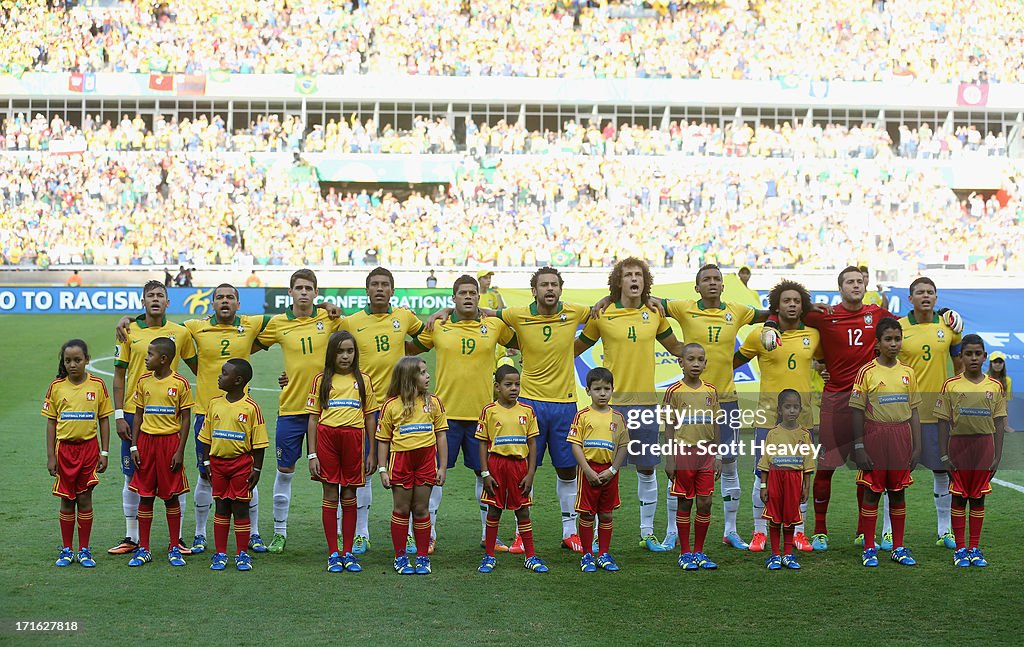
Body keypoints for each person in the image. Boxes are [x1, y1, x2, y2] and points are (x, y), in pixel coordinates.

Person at [439, 267, 590, 553]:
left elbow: (598, 315)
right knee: (521, 469)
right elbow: (481, 312)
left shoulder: (575, 312)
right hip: (529, 402)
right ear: (534, 290)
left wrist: (570, 349)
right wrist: (448, 310)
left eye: (554, 285)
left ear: (561, 288)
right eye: (543, 285)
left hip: (565, 402)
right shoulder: (517, 314)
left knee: (567, 469)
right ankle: (522, 534)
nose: (549, 289)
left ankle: (570, 531)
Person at [577, 257, 685, 552]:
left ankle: (647, 533)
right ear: (619, 281)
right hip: (609, 408)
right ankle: (597, 534)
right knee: (600, 469)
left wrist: (702, 349)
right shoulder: (603, 313)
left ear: (644, 281)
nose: (634, 279)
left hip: (646, 404)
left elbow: (675, 348)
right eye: (628, 275)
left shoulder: (655, 313)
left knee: (647, 469)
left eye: (639, 274)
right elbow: (577, 347)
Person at [661, 264, 771, 551]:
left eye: (717, 279)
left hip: (725, 401)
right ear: (696, 287)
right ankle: (672, 530)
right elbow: (653, 302)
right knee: (679, 469)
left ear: (723, 286)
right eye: (706, 279)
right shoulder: (684, 308)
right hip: (688, 401)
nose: (712, 283)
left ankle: (731, 530)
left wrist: (781, 318)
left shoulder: (737, 310)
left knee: (729, 465)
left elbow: (767, 314)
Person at [411, 275, 516, 552]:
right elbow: (411, 347)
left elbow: (521, 338)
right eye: (462, 293)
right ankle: (428, 535)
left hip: (483, 416)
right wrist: (437, 315)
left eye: (472, 293)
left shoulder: (493, 325)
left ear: (478, 298)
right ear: (453, 298)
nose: (468, 297)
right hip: (444, 417)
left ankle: (488, 535)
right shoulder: (438, 326)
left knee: (485, 476)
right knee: (434, 475)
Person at [252, 269, 343, 553]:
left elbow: (352, 346)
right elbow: (250, 345)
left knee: (332, 476)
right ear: (290, 292)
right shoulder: (278, 323)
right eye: (299, 288)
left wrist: (328, 308)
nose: (304, 292)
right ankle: (280, 532)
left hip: (327, 409)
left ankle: (339, 532)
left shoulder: (329, 319)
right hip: (291, 408)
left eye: (309, 288)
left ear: (316, 293)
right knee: (285, 470)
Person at [337, 267, 425, 555]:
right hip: (363, 407)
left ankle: (410, 533)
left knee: (406, 470)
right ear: (366, 290)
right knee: (364, 468)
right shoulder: (351, 321)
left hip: (402, 406)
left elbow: (426, 338)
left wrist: (411, 352)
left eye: (384, 285)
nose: (379, 289)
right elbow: (335, 356)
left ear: (392, 289)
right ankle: (361, 532)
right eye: (374, 284)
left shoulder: (403, 316)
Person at [109, 281, 196, 557]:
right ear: (143, 301)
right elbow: (119, 376)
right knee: (131, 475)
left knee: (173, 479)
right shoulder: (128, 330)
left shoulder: (181, 333)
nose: (155, 300)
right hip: (136, 415)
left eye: (160, 296)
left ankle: (177, 539)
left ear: (168, 302)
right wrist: (120, 414)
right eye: (151, 296)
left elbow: (199, 368)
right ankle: (132, 537)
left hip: (168, 417)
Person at [734, 280, 820, 552]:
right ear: (776, 306)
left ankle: (798, 532)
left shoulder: (815, 335)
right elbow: (732, 363)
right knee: (763, 473)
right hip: (767, 418)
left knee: (801, 473)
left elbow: (831, 359)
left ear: (802, 305)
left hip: (804, 419)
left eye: (796, 301)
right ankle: (759, 532)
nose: (792, 305)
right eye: (786, 301)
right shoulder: (759, 335)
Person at [896, 277, 962, 550]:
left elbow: (959, 368)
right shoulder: (898, 328)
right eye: (920, 293)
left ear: (936, 298)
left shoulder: (949, 326)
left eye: (930, 292)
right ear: (910, 299)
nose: (925, 296)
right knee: (895, 474)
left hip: (938, 414)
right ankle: (888, 532)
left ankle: (944, 530)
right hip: (903, 412)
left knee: (942, 470)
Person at [850, 319, 922, 567]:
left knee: (898, 492)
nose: (894, 344)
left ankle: (898, 547)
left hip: (901, 437)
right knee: (872, 491)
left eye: (897, 339)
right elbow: (857, 411)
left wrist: (917, 447)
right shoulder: (866, 372)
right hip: (875, 436)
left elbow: (914, 412)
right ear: (878, 343)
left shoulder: (908, 373)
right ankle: (869, 547)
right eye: (888, 339)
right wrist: (859, 446)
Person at [306, 331, 377, 573]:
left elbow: (370, 418)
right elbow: (313, 419)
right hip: (327, 440)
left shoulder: (364, 380)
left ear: (355, 353)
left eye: (350, 351)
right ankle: (332, 553)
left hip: (354, 440)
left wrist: (371, 452)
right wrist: (312, 454)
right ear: (331, 354)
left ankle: (347, 552)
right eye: (340, 351)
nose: (345, 356)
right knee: (329, 494)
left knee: (349, 495)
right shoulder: (321, 380)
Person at [937, 334, 1008, 568]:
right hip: (959, 448)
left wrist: (997, 456)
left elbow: (999, 423)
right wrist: (944, 455)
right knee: (958, 497)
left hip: (984, 447)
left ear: (985, 356)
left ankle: (974, 548)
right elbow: (942, 422)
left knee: (978, 499)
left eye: (978, 353)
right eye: (969, 353)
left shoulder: (995, 386)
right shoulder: (951, 385)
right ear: (961, 357)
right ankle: (960, 549)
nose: (974, 358)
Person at [376, 356, 449, 575]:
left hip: (426, 460)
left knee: (421, 509)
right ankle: (400, 556)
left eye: (427, 372)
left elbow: (441, 436)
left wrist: (442, 467)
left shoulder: (433, 402)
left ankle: (423, 557)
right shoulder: (390, 405)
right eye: (423, 373)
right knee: (401, 509)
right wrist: (382, 468)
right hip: (401, 461)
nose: (428, 377)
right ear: (409, 378)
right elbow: (383, 439)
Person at [126, 337, 195, 567]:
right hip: (146, 443)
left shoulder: (181, 383)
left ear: (163, 359)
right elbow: (138, 415)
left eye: (150, 355)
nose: (145, 358)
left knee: (171, 496)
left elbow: (186, 419)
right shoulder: (143, 381)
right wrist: (134, 445)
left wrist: (180, 450)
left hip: (169, 444)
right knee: (145, 495)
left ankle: (174, 546)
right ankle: (143, 548)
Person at [44, 339, 112, 568]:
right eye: (68, 361)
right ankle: (66, 550)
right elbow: (51, 423)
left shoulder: (97, 385)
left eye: (77, 360)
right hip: (64, 451)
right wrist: (50, 456)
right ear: (63, 363)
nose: (73, 364)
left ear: (87, 360)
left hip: (89, 449)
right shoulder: (56, 387)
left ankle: (84, 550)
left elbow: (104, 419)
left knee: (84, 498)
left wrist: (104, 452)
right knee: (66, 499)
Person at [476, 364, 548, 573]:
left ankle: (531, 555)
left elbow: (533, 443)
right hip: (496, 465)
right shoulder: (489, 411)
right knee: (494, 509)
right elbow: (482, 442)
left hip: (519, 466)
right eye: (508, 384)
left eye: (517, 384)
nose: (514, 388)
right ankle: (489, 555)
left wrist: (531, 472)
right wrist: (485, 473)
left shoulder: (527, 411)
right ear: (497, 387)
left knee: (523, 511)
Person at [198, 359, 267, 572]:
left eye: (224, 373)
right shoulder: (214, 404)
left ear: (238, 380)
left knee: (240, 507)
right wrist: (207, 461)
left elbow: (259, 443)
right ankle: (220, 553)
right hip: (218, 465)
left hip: (241, 465)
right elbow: (205, 438)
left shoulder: (251, 407)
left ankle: (242, 554)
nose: (219, 376)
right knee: (221, 506)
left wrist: (256, 469)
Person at [663, 343, 722, 571]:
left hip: (706, 454)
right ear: (681, 363)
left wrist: (718, 454)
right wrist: (670, 458)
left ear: (705, 363)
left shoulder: (711, 391)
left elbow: (717, 424)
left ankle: (699, 551)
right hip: (683, 453)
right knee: (685, 501)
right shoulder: (673, 392)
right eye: (691, 359)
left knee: (705, 502)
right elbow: (668, 426)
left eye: (700, 360)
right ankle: (685, 552)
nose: (696, 364)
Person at [569, 367, 628, 573]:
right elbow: (575, 444)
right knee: (586, 514)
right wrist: (586, 470)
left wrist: (612, 470)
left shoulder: (618, 418)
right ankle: (587, 554)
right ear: (588, 391)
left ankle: (603, 553)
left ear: (613, 389)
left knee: (606, 514)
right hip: (589, 471)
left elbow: (623, 446)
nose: (602, 393)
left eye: (606, 388)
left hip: (609, 472)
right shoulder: (582, 416)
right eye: (597, 389)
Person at [757, 390, 815, 571]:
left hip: (794, 480)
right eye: (787, 407)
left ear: (800, 410)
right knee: (775, 518)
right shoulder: (773, 433)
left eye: (795, 407)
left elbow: (807, 465)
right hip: (775, 478)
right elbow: (765, 461)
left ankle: (788, 554)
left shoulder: (804, 434)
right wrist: (764, 485)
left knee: (790, 518)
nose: (792, 410)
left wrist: (806, 487)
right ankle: (775, 555)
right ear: (780, 410)